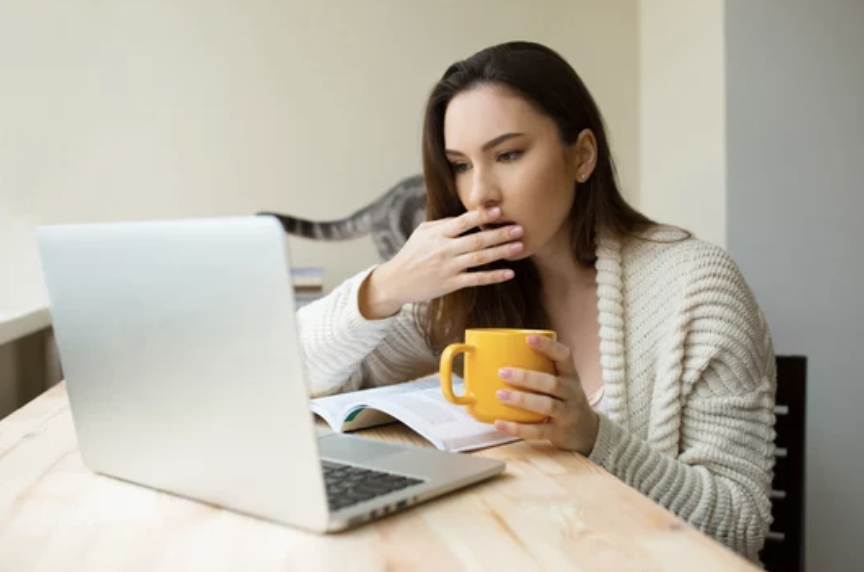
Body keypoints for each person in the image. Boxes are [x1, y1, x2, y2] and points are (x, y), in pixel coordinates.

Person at [297, 41, 777, 561]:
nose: (480, 193)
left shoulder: (696, 287)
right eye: (460, 165)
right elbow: (298, 375)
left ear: (582, 156)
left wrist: (595, 438)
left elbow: (739, 524)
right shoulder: (466, 287)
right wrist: (384, 286)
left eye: (508, 155)